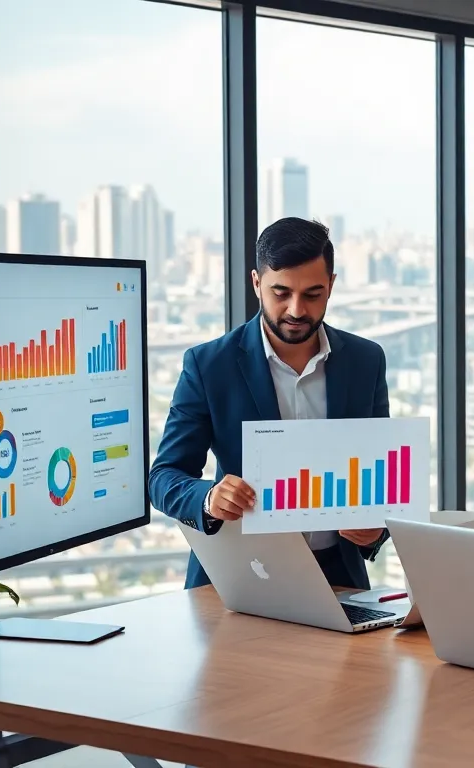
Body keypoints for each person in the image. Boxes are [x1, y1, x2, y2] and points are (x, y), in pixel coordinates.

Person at [149, 217, 389, 591]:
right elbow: (163, 477)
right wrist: (209, 499)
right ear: (256, 283)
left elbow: (380, 478)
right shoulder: (209, 365)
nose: (296, 310)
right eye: (281, 293)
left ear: (332, 286)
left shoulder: (366, 361)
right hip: (237, 576)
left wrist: (375, 529)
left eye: (313, 294)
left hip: (338, 579)